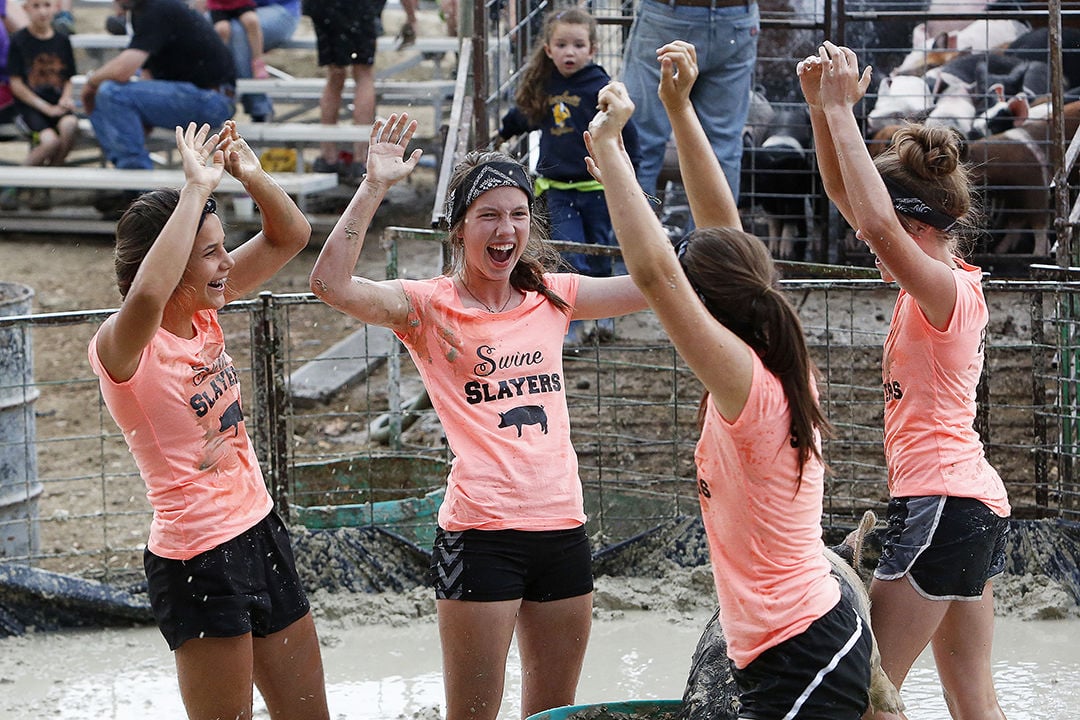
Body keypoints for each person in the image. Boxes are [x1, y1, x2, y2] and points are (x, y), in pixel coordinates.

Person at [308, 113, 648, 720]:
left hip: (563, 528)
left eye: (517, 214)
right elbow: (329, 284)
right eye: (489, 214)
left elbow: (655, 282)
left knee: (554, 714)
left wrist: (619, 180)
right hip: (481, 535)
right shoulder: (427, 306)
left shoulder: (553, 294)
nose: (505, 229)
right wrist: (374, 186)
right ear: (459, 227)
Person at [584, 42, 873, 718]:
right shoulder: (766, 345)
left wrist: (614, 152)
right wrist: (679, 110)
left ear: (708, 309)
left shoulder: (750, 382)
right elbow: (722, 230)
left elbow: (656, 276)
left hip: (803, 645)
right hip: (782, 636)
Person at [87, 120, 330, 720]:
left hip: (259, 528)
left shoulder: (202, 307)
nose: (226, 262)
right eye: (211, 252)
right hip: (198, 558)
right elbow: (146, 297)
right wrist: (193, 190)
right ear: (169, 265)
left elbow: (290, 236)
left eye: (224, 247)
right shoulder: (125, 346)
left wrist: (248, 173)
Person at [798, 41, 1012, 720]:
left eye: (884, 233)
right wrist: (820, 112)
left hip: (943, 503)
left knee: (869, 693)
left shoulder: (944, 288)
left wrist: (838, 112)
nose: (866, 242)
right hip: (968, 503)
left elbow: (872, 219)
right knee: (971, 698)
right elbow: (851, 199)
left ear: (918, 225)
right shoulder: (937, 282)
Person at [497, 6, 640, 345]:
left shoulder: (601, 87)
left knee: (600, 249)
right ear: (548, 49)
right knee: (569, 254)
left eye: (577, 45)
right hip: (559, 187)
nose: (569, 52)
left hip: (596, 187)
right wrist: (505, 130)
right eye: (561, 45)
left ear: (592, 49)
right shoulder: (544, 85)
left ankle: (604, 320)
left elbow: (627, 132)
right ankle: (571, 325)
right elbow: (526, 115)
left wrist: (627, 172)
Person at [619, 0, 759, 204]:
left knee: (640, 143)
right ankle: (716, 235)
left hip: (667, 15)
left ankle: (634, 235)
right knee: (722, 150)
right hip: (735, 15)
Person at [80, 0, 235, 178]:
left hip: (212, 99)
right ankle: (129, 179)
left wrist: (90, 83)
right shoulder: (146, 10)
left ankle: (136, 184)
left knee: (111, 93)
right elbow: (146, 74)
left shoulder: (158, 6)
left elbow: (123, 70)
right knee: (102, 99)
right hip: (200, 96)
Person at [2, 0, 78, 211]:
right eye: (36, 6)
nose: (42, 11)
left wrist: (65, 98)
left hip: (57, 105)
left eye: (46, 5)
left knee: (70, 126)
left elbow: (69, 77)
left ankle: (45, 182)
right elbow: (16, 84)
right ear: (26, 9)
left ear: (55, 7)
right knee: (49, 142)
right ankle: (13, 186)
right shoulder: (19, 40)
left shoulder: (62, 40)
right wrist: (45, 108)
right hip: (31, 107)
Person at [303, 0, 378, 184]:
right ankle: (360, 158)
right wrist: (411, 16)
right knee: (362, 72)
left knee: (335, 73)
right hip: (358, 6)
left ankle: (328, 155)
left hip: (325, 7)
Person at [207, 0, 270, 79]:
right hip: (219, 6)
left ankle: (258, 61)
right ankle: (221, 66)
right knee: (222, 29)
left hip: (242, 3)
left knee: (252, 21)